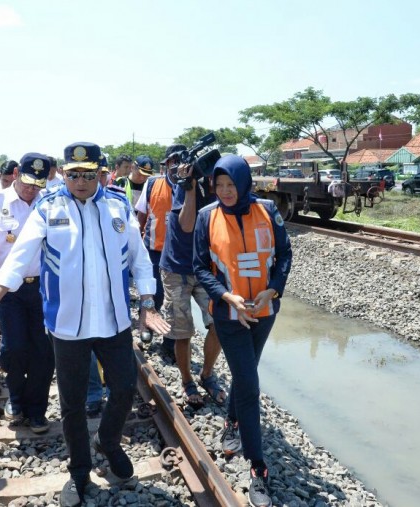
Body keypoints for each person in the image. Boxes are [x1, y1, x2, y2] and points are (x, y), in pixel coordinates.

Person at [0, 142, 170, 507]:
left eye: (87, 174)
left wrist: (148, 303)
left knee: (123, 389)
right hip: (67, 326)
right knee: (73, 404)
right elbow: (16, 259)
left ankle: (107, 440)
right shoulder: (47, 208)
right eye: (73, 174)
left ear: (100, 173)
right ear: (64, 173)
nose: (80, 181)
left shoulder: (117, 207)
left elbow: (139, 261)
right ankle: (79, 472)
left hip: (115, 322)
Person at [193, 155, 292, 507]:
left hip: (264, 312)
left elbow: (284, 254)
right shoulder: (208, 216)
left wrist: (274, 289)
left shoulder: (267, 209)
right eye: (218, 186)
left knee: (244, 372)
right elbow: (200, 267)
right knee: (249, 385)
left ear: (243, 182)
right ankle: (258, 467)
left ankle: (231, 423)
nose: (224, 191)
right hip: (228, 315)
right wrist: (226, 296)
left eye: (230, 185)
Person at [0, 153, 54, 433]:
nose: (32, 189)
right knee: (14, 348)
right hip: (8, 290)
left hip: (44, 288)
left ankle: (37, 409)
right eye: (28, 182)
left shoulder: (51, 203)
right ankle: (16, 400)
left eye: (37, 184)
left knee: (43, 350)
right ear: (16, 174)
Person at [159, 161, 226, 408]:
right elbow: (187, 225)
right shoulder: (185, 186)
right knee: (183, 330)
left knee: (219, 322)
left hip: (204, 268)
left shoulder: (220, 189)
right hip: (177, 268)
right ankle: (187, 381)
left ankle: (207, 374)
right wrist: (189, 187)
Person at [133, 144, 182, 349]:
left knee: (175, 300)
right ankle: (146, 328)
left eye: (181, 161)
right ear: (167, 164)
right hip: (153, 249)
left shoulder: (194, 187)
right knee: (154, 294)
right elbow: (142, 215)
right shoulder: (153, 184)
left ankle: (170, 343)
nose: (177, 166)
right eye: (173, 162)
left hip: (180, 254)